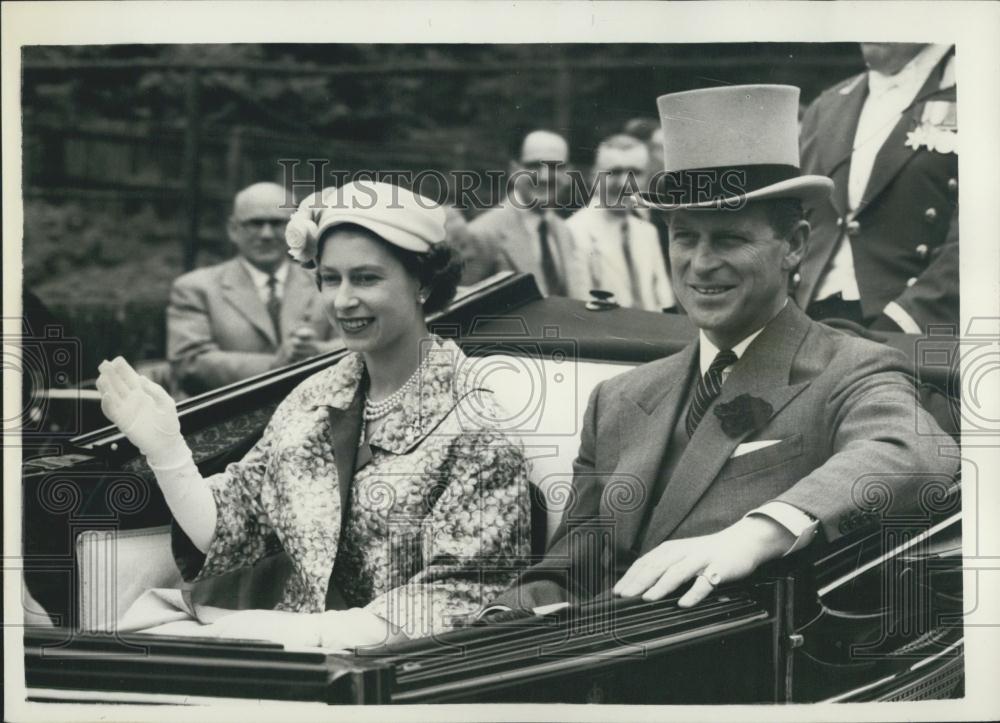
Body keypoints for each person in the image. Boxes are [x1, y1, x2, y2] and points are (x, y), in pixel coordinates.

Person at [485, 85, 958, 614]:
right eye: (685, 238)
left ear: (795, 245)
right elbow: (570, 574)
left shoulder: (849, 369)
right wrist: (499, 620)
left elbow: (915, 453)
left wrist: (758, 532)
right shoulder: (618, 399)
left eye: (730, 239)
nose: (702, 264)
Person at [97, 181, 531, 647]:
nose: (342, 301)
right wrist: (167, 452)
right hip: (292, 653)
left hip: (396, 677)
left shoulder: (477, 425)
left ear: (423, 282)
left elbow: (463, 595)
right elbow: (237, 523)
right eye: (329, 278)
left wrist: (312, 632)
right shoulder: (316, 396)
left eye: (367, 278)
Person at [797, 43, 958, 333]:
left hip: (908, 324)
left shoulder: (978, 92)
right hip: (809, 320)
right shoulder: (827, 105)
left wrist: (902, 322)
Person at [167, 182, 340, 396]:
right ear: (233, 229)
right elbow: (189, 362)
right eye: (255, 224)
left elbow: (361, 343)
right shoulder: (196, 288)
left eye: (277, 223)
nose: (266, 234)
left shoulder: (325, 280)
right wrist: (274, 365)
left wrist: (317, 352)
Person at [467, 130, 586, 297]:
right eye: (534, 166)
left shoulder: (564, 231)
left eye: (554, 167)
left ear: (567, 175)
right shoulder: (483, 233)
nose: (544, 177)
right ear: (514, 170)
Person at [566, 134, 674, 311]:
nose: (625, 183)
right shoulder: (574, 231)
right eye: (614, 172)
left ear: (647, 179)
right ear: (594, 177)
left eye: (635, 173)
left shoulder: (647, 231)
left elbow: (664, 303)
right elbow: (580, 308)